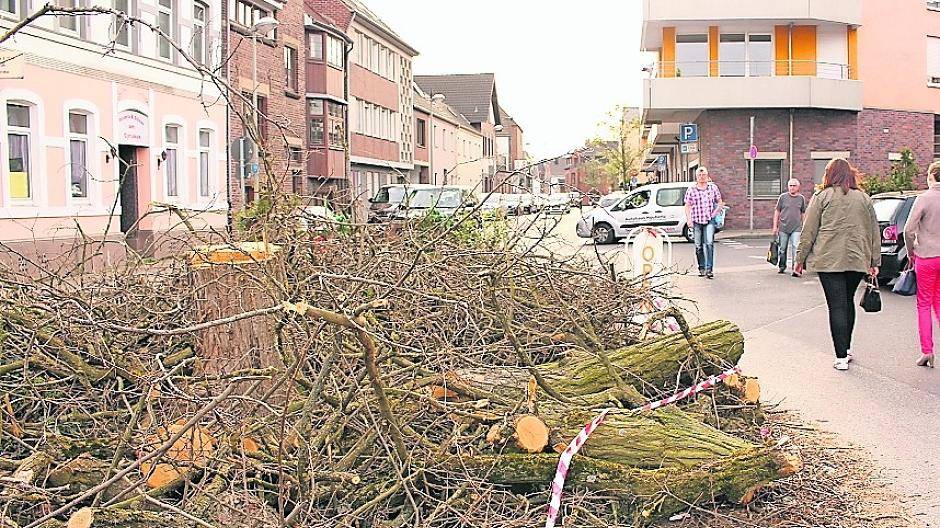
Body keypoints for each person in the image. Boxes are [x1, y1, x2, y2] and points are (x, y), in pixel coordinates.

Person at [795, 159, 880, 371]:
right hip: (857, 258)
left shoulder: (821, 197)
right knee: (847, 301)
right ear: (850, 174)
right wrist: (874, 261)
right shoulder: (864, 199)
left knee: (836, 305)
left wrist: (799, 259)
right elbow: (874, 232)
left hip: (828, 260)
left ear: (829, 174)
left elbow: (809, 230)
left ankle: (841, 357)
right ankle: (847, 349)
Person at [904, 161, 940, 368]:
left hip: (926, 256)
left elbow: (908, 230)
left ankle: (927, 351)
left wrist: (911, 251)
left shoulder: (924, 199)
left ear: (931, 176)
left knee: (924, 303)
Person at [684, 167, 725, 279]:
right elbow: (687, 205)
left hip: (709, 220)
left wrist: (715, 213)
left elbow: (720, 202)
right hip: (696, 220)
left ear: (707, 176)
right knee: (698, 246)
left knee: (709, 243)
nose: (702, 177)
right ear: (696, 177)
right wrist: (689, 219)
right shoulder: (691, 189)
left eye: (704, 175)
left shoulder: (713, 188)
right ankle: (701, 267)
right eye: (699, 175)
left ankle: (709, 269)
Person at [773, 179, 807, 276]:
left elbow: (803, 213)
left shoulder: (801, 198)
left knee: (796, 247)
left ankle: (795, 268)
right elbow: (777, 211)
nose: (792, 187)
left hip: (796, 227)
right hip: (783, 227)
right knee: (782, 249)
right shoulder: (783, 197)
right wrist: (775, 226)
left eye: (794, 186)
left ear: (798, 187)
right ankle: (782, 266)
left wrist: (804, 226)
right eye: (790, 185)